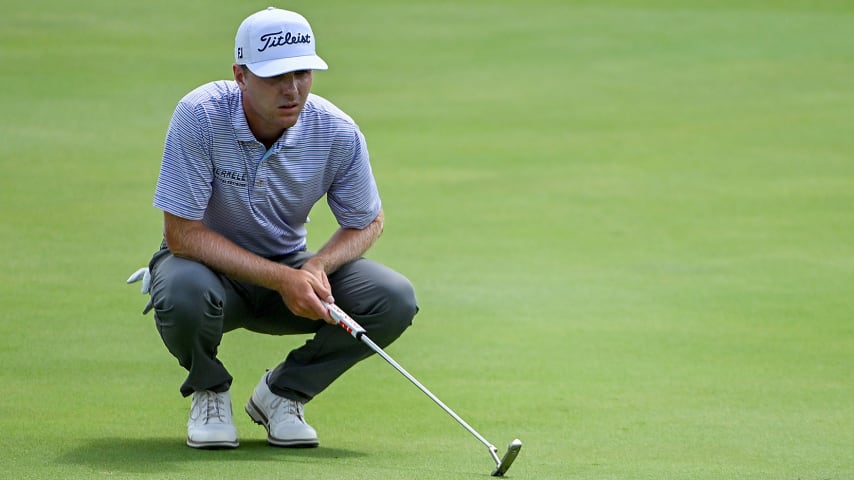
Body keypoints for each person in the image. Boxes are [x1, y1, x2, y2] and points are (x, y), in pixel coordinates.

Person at [133, 7, 418, 449]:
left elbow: (367, 222)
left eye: (302, 73)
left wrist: (317, 267)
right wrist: (286, 279)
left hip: (287, 270)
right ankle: (210, 390)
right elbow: (181, 234)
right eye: (274, 77)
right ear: (240, 75)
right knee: (181, 290)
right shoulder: (200, 115)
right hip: (206, 274)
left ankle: (282, 394)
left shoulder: (337, 131)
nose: (292, 90)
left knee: (393, 298)